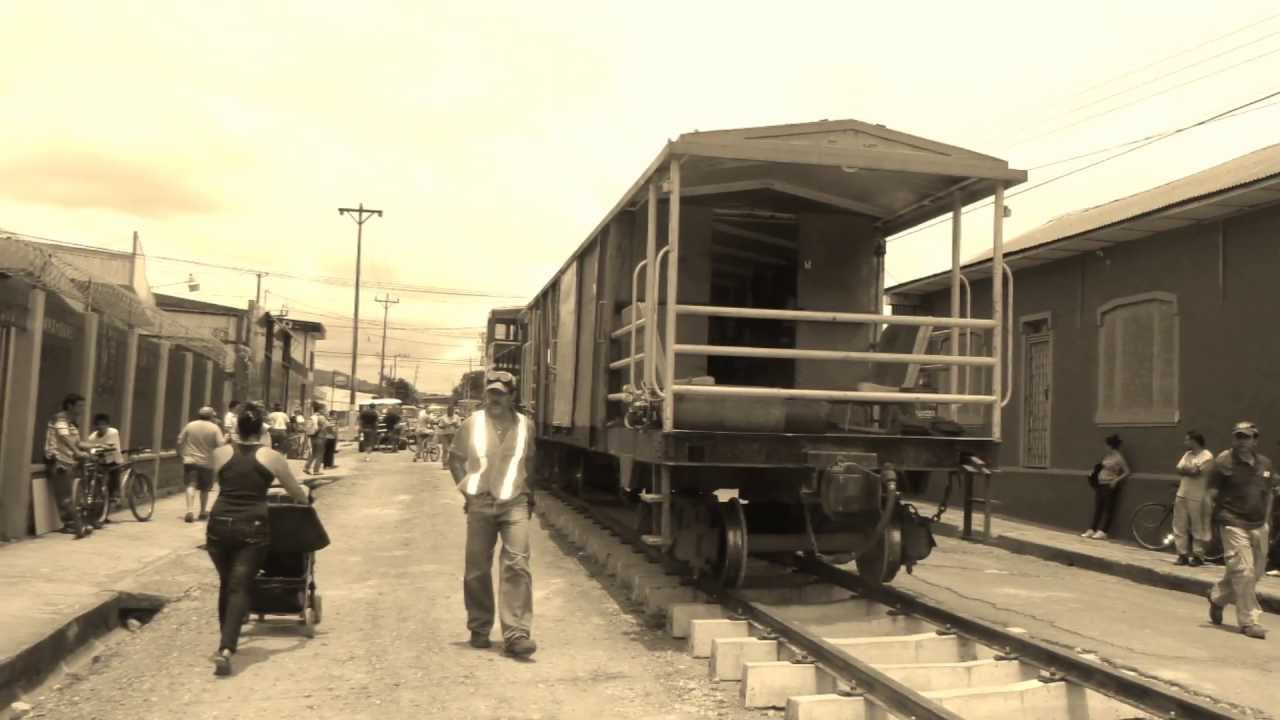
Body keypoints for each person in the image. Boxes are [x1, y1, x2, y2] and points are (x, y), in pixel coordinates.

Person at [206, 404, 309, 676]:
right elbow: (295, 492)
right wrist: (303, 500)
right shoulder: (272, 457)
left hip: (219, 524)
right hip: (252, 526)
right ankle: (226, 648)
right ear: (262, 429)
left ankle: (227, 639)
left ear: (237, 428)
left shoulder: (220, 453)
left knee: (227, 582)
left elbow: (219, 482)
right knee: (239, 585)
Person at [449, 371, 537, 658]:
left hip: (514, 503)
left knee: (517, 564)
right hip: (480, 504)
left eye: (501, 394)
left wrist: (529, 494)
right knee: (477, 569)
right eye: (491, 393)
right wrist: (468, 494)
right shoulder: (471, 424)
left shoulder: (526, 426)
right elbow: (455, 459)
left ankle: (517, 633)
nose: (494, 399)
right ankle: (479, 627)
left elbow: (530, 462)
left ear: (512, 397)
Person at [1206, 421, 1277, 640]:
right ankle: (1249, 622)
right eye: (1238, 436)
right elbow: (1210, 496)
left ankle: (1217, 597)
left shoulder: (1265, 464)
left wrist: (1267, 522)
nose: (1242, 441)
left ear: (1255, 439)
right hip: (1232, 521)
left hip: (1258, 524)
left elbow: (1269, 494)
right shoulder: (1223, 462)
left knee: (1256, 573)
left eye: (1246, 437)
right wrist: (1206, 527)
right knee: (1244, 571)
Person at [45, 393, 89, 533]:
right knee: (65, 497)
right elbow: (65, 438)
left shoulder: (71, 423)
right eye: (79, 406)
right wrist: (77, 452)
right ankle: (74, 526)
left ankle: (75, 525)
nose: (82, 409)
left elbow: (77, 442)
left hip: (68, 461)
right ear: (70, 406)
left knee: (68, 496)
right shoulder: (60, 419)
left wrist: (97, 445)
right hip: (58, 461)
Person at [1171, 430, 1214, 566]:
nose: (1185, 442)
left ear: (1194, 441)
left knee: (1197, 527)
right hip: (1182, 493)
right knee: (1179, 525)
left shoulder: (1207, 456)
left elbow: (1196, 472)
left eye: (1187, 440)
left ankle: (1198, 555)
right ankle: (1182, 554)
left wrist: (1188, 469)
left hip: (1197, 496)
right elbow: (1179, 469)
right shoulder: (1187, 454)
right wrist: (1190, 469)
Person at [178, 407, 227, 523]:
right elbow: (221, 445)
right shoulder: (214, 428)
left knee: (191, 485)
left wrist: (181, 453)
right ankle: (203, 512)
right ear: (211, 416)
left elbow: (180, 441)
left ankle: (189, 510)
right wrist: (226, 438)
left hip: (190, 460)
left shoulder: (190, 425)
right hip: (207, 462)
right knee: (205, 489)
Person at [1081, 434, 1129, 539]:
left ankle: (1103, 531)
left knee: (1108, 509)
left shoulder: (1118, 457)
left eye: (1106, 445)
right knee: (1098, 508)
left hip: (1109, 485)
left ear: (1111, 445)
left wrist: (1116, 480)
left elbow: (1127, 471)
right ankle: (1092, 529)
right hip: (1100, 484)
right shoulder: (1107, 456)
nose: (1105, 447)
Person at [86, 413, 125, 513]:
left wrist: (96, 450)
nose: (101, 427)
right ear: (95, 426)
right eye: (98, 424)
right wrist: (94, 452)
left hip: (113, 460)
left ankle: (115, 496)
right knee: (95, 478)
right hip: (100, 462)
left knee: (113, 478)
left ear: (108, 425)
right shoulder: (92, 437)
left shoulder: (113, 432)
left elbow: (110, 447)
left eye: (103, 424)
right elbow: (90, 449)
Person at [304, 402, 328, 476]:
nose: (325, 410)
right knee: (320, 454)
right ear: (320, 410)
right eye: (324, 409)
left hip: (312, 437)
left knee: (313, 453)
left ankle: (306, 467)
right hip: (320, 437)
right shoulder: (321, 417)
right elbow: (325, 427)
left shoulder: (311, 417)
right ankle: (316, 470)